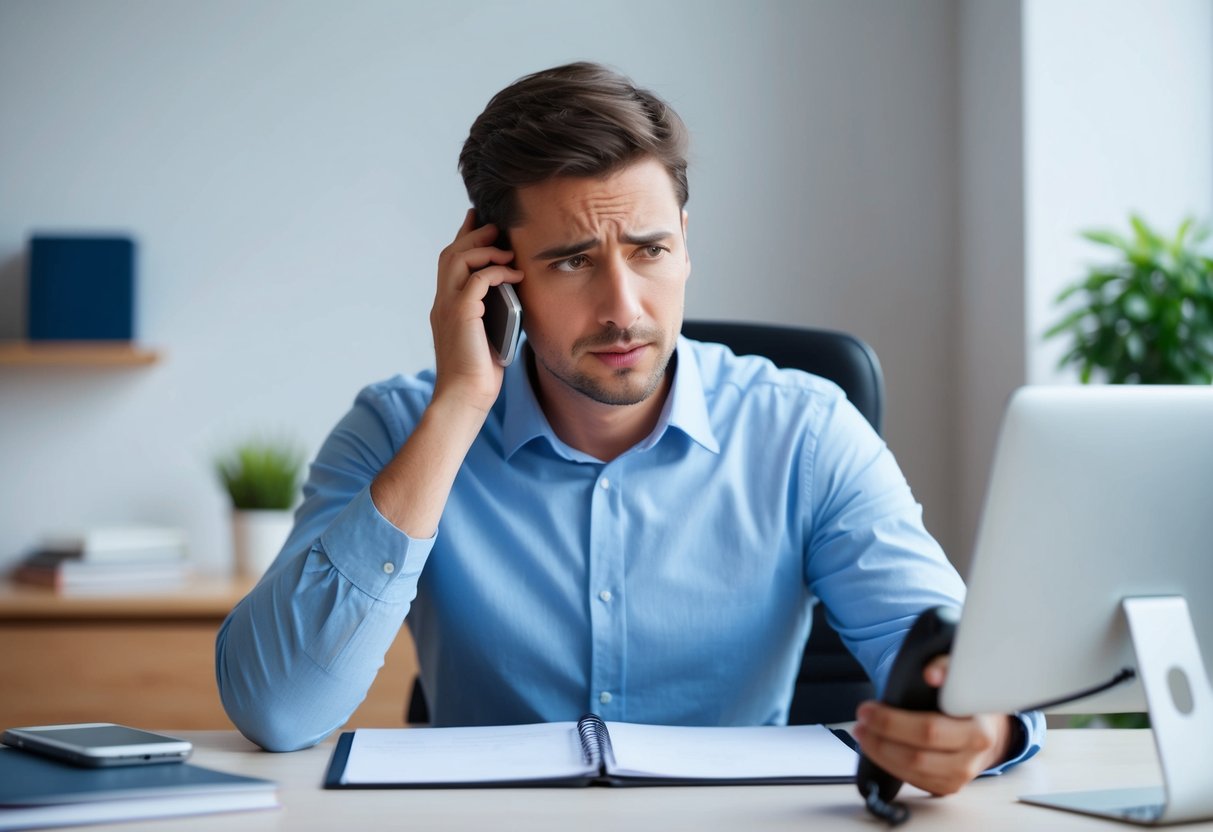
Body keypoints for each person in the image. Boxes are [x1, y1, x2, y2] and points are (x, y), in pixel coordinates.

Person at [215, 61, 1042, 796]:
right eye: (573, 261)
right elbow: (278, 710)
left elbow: (959, 670)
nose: (623, 309)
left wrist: (983, 730)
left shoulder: (806, 430)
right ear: (496, 273)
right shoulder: (397, 426)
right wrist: (461, 403)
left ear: (685, 244)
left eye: (649, 251)